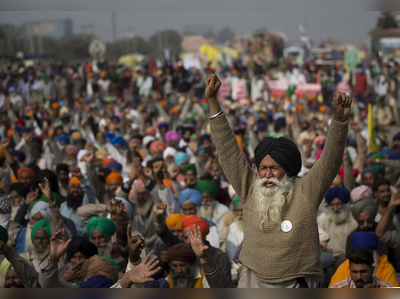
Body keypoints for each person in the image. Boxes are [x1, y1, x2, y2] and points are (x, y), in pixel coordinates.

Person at [205, 74, 352, 288]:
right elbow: (228, 150)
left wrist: (339, 121)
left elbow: (330, 160)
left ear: (288, 170)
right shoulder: (249, 188)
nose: (266, 174)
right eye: (263, 168)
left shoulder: (306, 191)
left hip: (296, 281)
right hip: (252, 279)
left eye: (274, 168)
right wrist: (212, 101)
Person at [153, 203, 232, 283]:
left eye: (192, 237)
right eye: (185, 238)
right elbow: (163, 233)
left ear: (203, 236)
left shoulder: (219, 257)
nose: (188, 241)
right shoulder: (182, 249)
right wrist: (157, 217)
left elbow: (224, 285)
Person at [329, 232, 398, 287]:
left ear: (372, 270)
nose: (359, 277)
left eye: (363, 272)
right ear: (349, 269)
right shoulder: (340, 287)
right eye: (354, 272)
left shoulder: (386, 287)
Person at [320, 187, 357, 262]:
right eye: (333, 205)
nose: (336, 208)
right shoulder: (326, 222)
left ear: (345, 204)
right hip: (329, 259)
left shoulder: (353, 222)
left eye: (339, 204)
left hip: (347, 259)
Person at [225, 195, 244, 280]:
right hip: (238, 266)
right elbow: (232, 254)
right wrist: (239, 267)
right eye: (237, 211)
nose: (240, 214)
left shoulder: (255, 227)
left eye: (242, 210)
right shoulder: (231, 228)